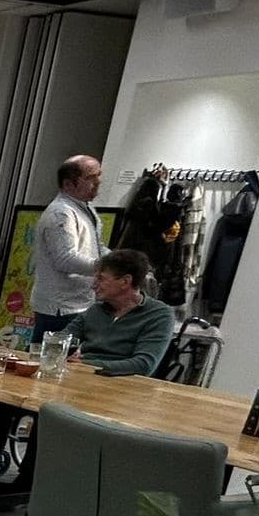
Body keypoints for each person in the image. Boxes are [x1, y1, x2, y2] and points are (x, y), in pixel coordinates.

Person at [62, 249, 175, 378]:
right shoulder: (95, 310)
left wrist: (84, 364)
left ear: (125, 282)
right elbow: (60, 341)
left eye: (101, 278)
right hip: (83, 377)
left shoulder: (159, 315)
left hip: (125, 386)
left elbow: (143, 365)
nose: (93, 285)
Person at [31, 155, 105, 340]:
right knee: (49, 357)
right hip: (60, 306)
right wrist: (106, 266)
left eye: (99, 175)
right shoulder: (61, 213)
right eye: (90, 178)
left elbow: (95, 248)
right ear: (68, 185)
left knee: (66, 358)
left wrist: (121, 260)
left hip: (79, 302)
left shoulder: (84, 209)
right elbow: (65, 259)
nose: (98, 182)